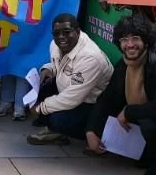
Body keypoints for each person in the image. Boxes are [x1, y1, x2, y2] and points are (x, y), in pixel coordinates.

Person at [84, 14, 156, 175]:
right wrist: (91, 130)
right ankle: (143, 153)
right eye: (124, 40)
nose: (130, 45)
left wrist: (128, 111)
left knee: (150, 124)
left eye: (135, 39)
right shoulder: (124, 64)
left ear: (146, 41)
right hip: (137, 122)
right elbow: (106, 99)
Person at [25, 14, 114, 145]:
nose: (61, 37)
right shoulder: (56, 44)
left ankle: (95, 133)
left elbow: (72, 97)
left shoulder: (90, 57)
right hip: (72, 91)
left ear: (77, 32)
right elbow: (60, 65)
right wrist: (48, 69)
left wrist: (41, 108)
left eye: (66, 32)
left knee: (56, 120)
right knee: (42, 85)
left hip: (93, 104)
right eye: (56, 33)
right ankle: (54, 128)